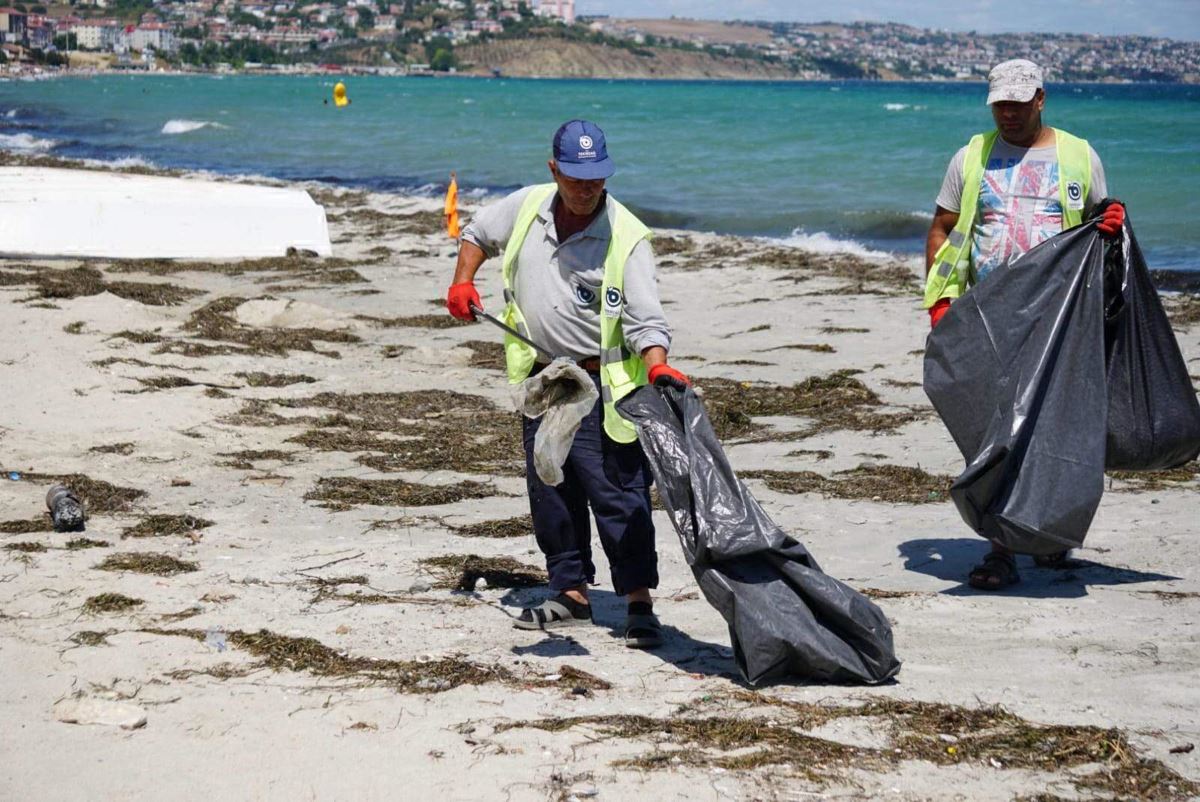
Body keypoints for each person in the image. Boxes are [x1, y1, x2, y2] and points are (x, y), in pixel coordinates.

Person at [445, 119, 689, 647]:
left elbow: (646, 319)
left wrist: (657, 364)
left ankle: (639, 602)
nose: (586, 189)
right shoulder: (528, 206)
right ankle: (571, 593)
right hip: (543, 380)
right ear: (554, 169)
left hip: (603, 386)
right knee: (550, 485)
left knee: (619, 494)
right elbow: (476, 233)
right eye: (576, 178)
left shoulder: (627, 237)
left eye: (596, 178)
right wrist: (463, 281)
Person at [923, 59, 1126, 591]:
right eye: (999, 104)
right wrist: (942, 305)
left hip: (1060, 322)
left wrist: (1111, 222)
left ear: (1041, 98)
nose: (1008, 113)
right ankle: (1001, 551)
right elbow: (944, 228)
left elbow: (1098, 229)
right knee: (997, 436)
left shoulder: (1080, 156)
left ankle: (1049, 533)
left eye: (1018, 102)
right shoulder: (971, 157)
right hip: (988, 320)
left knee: (1059, 430)